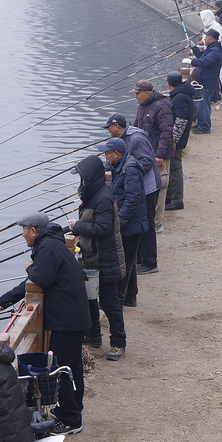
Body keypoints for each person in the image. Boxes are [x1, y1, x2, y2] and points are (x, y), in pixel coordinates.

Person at [0, 213, 90, 434]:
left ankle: (71, 420)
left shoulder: (47, 248)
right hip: (74, 317)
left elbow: (40, 277)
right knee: (72, 367)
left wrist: (30, 267)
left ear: (33, 231)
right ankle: (73, 409)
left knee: (62, 368)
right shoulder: (52, 245)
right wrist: (5, 299)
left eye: (24, 231)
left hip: (67, 321)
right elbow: (41, 275)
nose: (23, 236)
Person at [70, 155, 127, 361]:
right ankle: (94, 335)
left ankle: (118, 343)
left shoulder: (103, 198)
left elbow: (103, 228)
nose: (82, 182)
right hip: (91, 258)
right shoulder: (92, 194)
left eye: (83, 178)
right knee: (90, 299)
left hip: (107, 259)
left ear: (92, 177)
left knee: (110, 302)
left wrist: (77, 227)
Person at [103, 113, 162, 289]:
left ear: (115, 127)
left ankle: (151, 262)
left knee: (146, 223)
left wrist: (129, 175)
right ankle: (141, 258)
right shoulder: (121, 142)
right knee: (140, 224)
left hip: (148, 187)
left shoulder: (136, 139)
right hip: (136, 185)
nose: (108, 132)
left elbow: (146, 162)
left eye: (108, 129)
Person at [97, 137, 147, 314]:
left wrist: (119, 223)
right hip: (129, 224)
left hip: (131, 225)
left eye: (107, 154)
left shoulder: (130, 170)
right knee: (129, 260)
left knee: (123, 262)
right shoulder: (121, 166)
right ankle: (130, 296)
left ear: (116, 154)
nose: (105, 157)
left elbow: (133, 200)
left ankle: (118, 300)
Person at [132, 79, 174, 237]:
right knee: (147, 186)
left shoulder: (162, 106)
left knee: (160, 186)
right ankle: (148, 219)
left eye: (137, 93)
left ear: (146, 93)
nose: (136, 96)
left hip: (158, 154)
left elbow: (166, 132)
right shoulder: (142, 107)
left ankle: (157, 223)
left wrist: (160, 154)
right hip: (145, 153)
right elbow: (137, 127)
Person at [165, 71, 196, 210]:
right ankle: (170, 196)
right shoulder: (181, 95)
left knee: (175, 168)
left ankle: (177, 200)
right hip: (178, 139)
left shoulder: (180, 98)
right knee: (172, 167)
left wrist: (173, 139)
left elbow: (181, 121)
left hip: (177, 140)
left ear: (169, 84)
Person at [190, 29, 222, 134]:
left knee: (204, 106)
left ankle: (205, 127)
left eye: (206, 37)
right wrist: (193, 47)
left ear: (211, 39)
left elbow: (206, 61)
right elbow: (201, 57)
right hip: (202, 81)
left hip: (207, 82)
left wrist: (192, 62)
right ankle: (200, 124)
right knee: (200, 105)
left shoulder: (215, 51)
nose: (204, 39)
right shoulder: (211, 48)